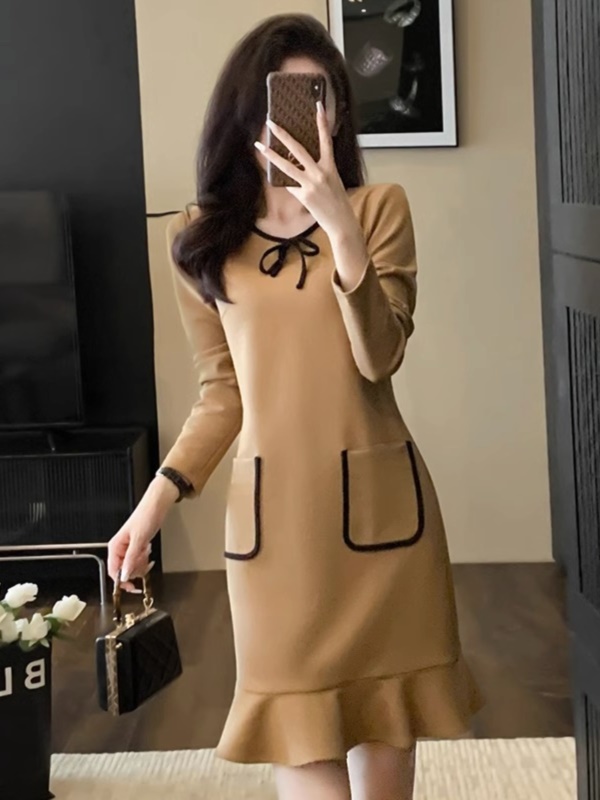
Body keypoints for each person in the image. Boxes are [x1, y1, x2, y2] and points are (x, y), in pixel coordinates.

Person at [107, 13, 484, 800]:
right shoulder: (200, 239)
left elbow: (380, 357)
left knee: (385, 746)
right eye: (286, 98)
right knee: (298, 739)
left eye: (322, 98)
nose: (306, 118)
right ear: (248, 110)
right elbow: (223, 393)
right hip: (275, 540)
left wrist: (340, 226)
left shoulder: (379, 209)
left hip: (385, 535)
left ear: (339, 114)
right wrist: (153, 505)